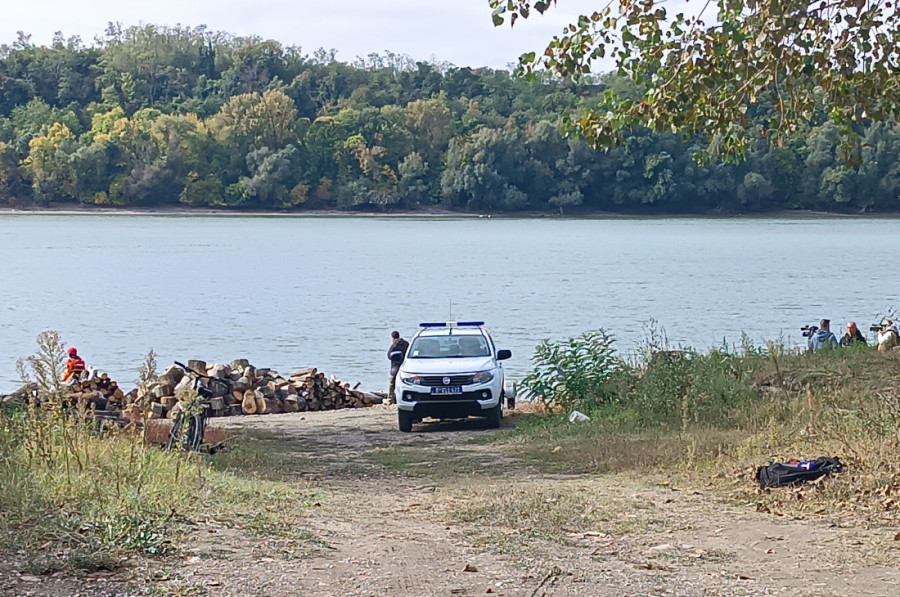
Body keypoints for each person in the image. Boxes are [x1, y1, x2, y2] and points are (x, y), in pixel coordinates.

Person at [387, 331, 409, 403]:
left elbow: (389, 356)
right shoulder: (406, 343)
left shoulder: (394, 345)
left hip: (395, 366)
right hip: (405, 366)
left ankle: (391, 398)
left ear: (393, 338)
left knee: (392, 382)